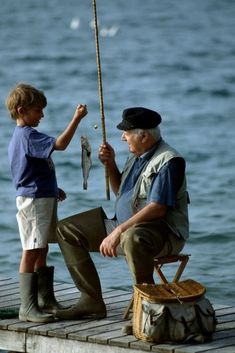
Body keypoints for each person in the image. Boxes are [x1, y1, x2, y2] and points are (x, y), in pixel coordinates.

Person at [55, 107, 189, 322]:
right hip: (125, 227)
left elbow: (158, 207)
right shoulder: (136, 156)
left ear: (143, 135)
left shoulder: (170, 161)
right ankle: (91, 302)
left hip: (162, 234)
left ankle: (145, 312)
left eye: (127, 132)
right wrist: (110, 164)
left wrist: (119, 230)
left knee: (132, 237)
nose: (122, 137)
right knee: (66, 230)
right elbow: (121, 193)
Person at [6, 83, 87, 323]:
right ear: (22, 111)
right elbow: (60, 145)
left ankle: (45, 300)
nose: (42, 114)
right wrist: (76, 118)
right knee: (31, 249)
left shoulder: (24, 136)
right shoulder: (28, 135)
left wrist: (53, 189)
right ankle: (27, 306)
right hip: (33, 201)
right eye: (37, 110)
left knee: (42, 247)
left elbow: (31, 171)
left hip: (41, 196)